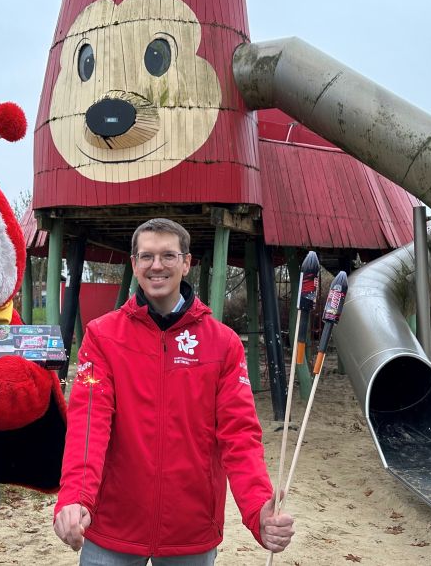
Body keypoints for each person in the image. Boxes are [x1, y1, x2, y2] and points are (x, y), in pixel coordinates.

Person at [54, 218, 295, 564]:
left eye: (168, 255)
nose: (157, 265)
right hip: (112, 525)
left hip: (191, 530)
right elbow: (88, 424)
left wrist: (259, 510)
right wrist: (76, 498)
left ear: (186, 262)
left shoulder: (223, 344)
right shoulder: (102, 337)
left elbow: (239, 436)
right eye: (146, 256)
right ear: (134, 264)